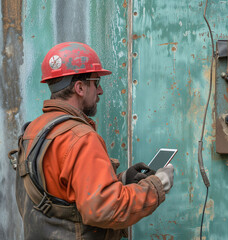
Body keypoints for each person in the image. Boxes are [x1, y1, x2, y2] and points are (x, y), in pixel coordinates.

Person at [12, 42, 174, 239]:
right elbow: (104, 209)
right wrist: (157, 186)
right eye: (96, 83)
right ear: (80, 87)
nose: (100, 92)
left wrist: (121, 181)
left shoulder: (33, 130)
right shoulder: (81, 137)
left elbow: (60, 195)